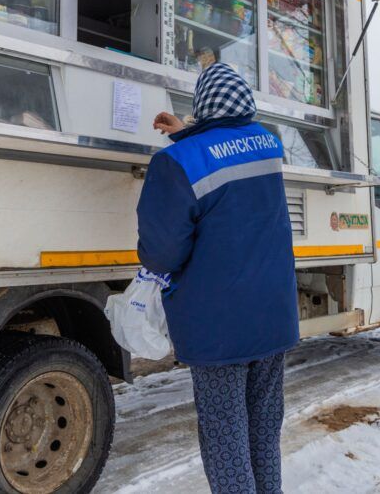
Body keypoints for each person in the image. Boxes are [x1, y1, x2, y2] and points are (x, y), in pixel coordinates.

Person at [136, 62, 299, 494]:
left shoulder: (174, 162)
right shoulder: (268, 143)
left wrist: (182, 138)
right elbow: (225, 145)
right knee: (264, 428)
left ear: (201, 106)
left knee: (225, 436)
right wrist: (187, 132)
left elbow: (162, 252)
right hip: (272, 317)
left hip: (219, 327)